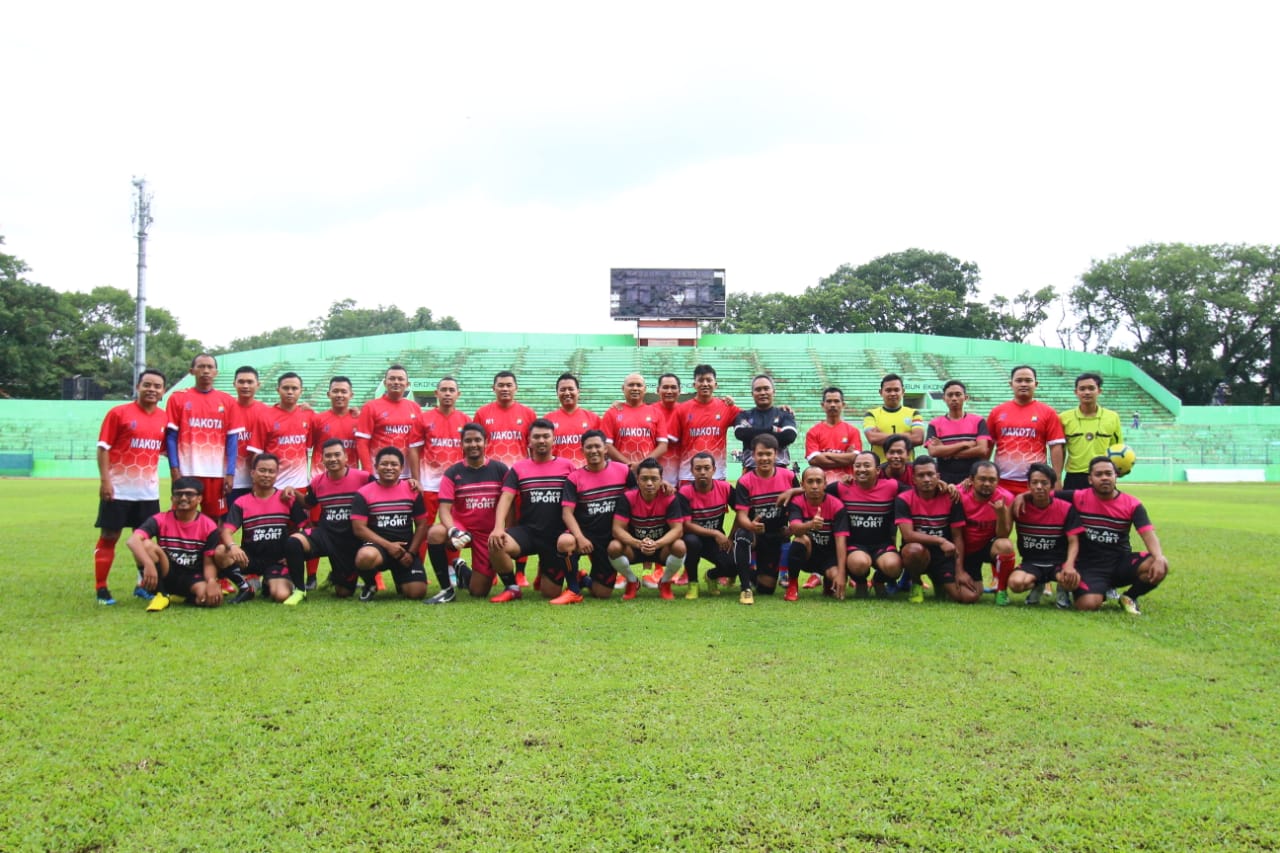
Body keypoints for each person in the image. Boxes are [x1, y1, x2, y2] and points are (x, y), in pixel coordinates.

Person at [1053, 456, 1169, 614]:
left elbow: (1148, 534)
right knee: (1087, 605)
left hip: (1120, 563)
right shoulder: (1078, 497)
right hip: (1089, 567)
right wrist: (1022, 498)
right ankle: (1093, 589)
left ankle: (1129, 597)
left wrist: (1159, 557)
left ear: (1116, 476)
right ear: (1090, 479)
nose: (1104, 478)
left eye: (1108, 473)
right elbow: (1046, 496)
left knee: (1159, 563)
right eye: (1099, 474)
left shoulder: (1132, 504)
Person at [93, 368, 169, 605]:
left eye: (157, 386)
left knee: (145, 541)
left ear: (163, 391)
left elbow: (167, 450)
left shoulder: (164, 418)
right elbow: (103, 448)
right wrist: (106, 480)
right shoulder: (119, 413)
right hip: (119, 488)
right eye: (147, 384)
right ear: (138, 387)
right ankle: (101, 588)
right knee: (110, 536)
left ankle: (142, 586)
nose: (152, 389)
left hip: (147, 491)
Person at [488, 419, 575, 603]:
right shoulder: (519, 468)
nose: (541, 440)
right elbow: (506, 497)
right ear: (529, 440)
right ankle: (512, 587)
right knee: (496, 543)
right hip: (528, 532)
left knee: (549, 593)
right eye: (537, 436)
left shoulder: (568, 466)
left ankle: (575, 575)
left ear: (554, 439)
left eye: (546, 436)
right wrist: (498, 527)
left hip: (557, 536)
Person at [423, 423, 510, 603]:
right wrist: (453, 530)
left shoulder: (500, 470)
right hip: (462, 527)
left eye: (477, 440)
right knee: (435, 533)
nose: (473, 444)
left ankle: (461, 569)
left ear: (486, 442)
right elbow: (444, 510)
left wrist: (505, 529)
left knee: (478, 591)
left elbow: (509, 504)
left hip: (488, 533)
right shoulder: (453, 472)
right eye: (468, 441)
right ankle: (447, 589)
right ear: (461, 444)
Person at [286, 438, 375, 599]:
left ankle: (341, 576)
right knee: (294, 542)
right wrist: (293, 491)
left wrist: (409, 483)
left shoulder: (364, 478)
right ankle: (300, 590)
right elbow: (308, 503)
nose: (333, 459)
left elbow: (384, 488)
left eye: (337, 455)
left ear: (346, 457)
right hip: (326, 534)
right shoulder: (317, 481)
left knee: (344, 592)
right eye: (328, 456)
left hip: (352, 538)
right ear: (322, 459)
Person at [474, 370, 538, 588]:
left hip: (520, 479)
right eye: (500, 385)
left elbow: (533, 447)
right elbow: (477, 445)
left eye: (509, 385)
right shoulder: (483, 413)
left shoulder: (528, 413)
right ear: (494, 388)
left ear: (515, 388)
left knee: (519, 524)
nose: (505, 388)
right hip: (492, 479)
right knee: (494, 523)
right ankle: (494, 568)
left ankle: (520, 572)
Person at [217, 453, 309, 605]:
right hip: (250, 558)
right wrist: (232, 547)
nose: (266, 475)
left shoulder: (286, 498)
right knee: (221, 552)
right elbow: (226, 531)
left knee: (281, 595)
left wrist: (294, 554)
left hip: (278, 560)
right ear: (252, 473)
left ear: (276, 474)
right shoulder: (241, 502)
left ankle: (269, 581)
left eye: (271, 471)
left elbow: (306, 529)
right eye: (262, 470)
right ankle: (246, 588)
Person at [557, 430, 635, 601]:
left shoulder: (623, 471)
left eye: (597, 446)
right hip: (585, 533)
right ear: (582, 450)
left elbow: (640, 496)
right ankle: (573, 590)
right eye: (589, 447)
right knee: (565, 542)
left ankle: (583, 578)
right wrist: (580, 537)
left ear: (606, 448)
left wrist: (664, 486)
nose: (593, 451)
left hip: (609, 537)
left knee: (602, 593)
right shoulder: (574, 478)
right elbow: (567, 513)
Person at [126, 477, 223, 612]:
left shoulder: (209, 526)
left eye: (189, 494)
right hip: (166, 571)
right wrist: (148, 563)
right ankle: (161, 594)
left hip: (193, 576)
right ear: (172, 499)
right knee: (146, 545)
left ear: (199, 498)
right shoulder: (160, 519)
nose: (183, 498)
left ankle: (181, 596)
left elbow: (208, 562)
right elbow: (132, 540)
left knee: (211, 600)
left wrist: (212, 582)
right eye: (178, 494)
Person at [895, 456, 982, 604]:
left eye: (930, 474)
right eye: (921, 475)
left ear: (938, 476)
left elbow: (957, 537)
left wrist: (959, 571)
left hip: (944, 555)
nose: (927, 479)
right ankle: (916, 583)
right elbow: (908, 535)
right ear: (914, 479)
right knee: (913, 551)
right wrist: (940, 540)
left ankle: (939, 581)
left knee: (969, 597)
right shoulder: (904, 499)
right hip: (918, 551)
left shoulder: (951, 497)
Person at [350, 447, 431, 601]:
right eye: (384, 464)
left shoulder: (412, 490)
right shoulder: (363, 493)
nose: (389, 468)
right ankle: (370, 584)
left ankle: (401, 579)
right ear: (376, 467)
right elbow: (358, 528)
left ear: (401, 468)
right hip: (378, 548)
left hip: (405, 551)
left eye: (394, 464)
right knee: (364, 557)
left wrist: (411, 553)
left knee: (417, 593)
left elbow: (422, 525)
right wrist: (389, 546)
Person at [165, 353, 240, 519]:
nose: (205, 371)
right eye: (201, 366)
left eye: (210, 367)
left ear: (216, 372)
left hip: (216, 472)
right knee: (180, 514)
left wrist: (230, 473)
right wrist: (174, 469)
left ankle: (211, 546)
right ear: (192, 371)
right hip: (186, 470)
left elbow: (232, 440)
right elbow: (171, 437)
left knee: (213, 518)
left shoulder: (227, 401)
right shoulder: (178, 398)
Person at [828, 450, 907, 597]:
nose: (861, 469)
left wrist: (942, 485)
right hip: (855, 546)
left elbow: (916, 493)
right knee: (859, 563)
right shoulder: (842, 487)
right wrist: (793, 491)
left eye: (866, 465)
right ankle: (861, 582)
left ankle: (878, 581)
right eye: (857, 466)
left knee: (894, 567)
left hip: (882, 544)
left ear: (877, 470)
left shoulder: (891, 486)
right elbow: (816, 492)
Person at [732, 434, 799, 602]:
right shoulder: (745, 481)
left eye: (768, 454)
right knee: (742, 534)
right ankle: (745, 587)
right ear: (753, 455)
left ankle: (753, 575)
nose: (764, 458)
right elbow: (741, 516)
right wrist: (751, 526)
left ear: (775, 454)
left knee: (766, 589)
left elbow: (806, 494)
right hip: (755, 534)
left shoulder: (788, 476)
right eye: (760, 454)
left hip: (776, 535)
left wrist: (793, 491)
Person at [609, 458, 688, 600]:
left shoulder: (669, 498)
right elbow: (617, 529)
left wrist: (657, 544)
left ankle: (665, 582)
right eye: (644, 479)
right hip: (635, 547)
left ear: (661, 480)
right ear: (637, 480)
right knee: (614, 547)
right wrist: (638, 543)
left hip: (660, 548)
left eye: (654, 479)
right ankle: (632, 581)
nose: (649, 483)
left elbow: (677, 530)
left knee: (680, 546)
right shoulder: (627, 498)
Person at [1006, 463, 1083, 606]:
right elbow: (1004, 532)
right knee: (1016, 584)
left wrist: (1069, 565)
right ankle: (1038, 585)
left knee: (1074, 581)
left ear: (1052, 486)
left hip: (1058, 563)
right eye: (1034, 482)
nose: (1039, 487)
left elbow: (1073, 541)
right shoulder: (1020, 506)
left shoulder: (1065, 508)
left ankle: (1062, 590)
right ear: (1028, 485)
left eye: (1044, 483)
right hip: (1032, 563)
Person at [987, 365, 1066, 494]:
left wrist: (1057, 479)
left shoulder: (1048, 412)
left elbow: (1056, 446)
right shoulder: (997, 412)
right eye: (1019, 380)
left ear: (1036, 384)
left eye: (1028, 380)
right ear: (1011, 384)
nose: (1023, 384)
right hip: (1001, 481)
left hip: (1035, 482)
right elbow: (988, 445)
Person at [678, 451, 739, 600]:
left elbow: (741, 512)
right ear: (692, 471)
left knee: (734, 564)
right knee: (692, 542)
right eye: (698, 469)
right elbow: (686, 525)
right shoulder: (685, 492)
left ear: (714, 470)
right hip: (694, 537)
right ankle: (693, 583)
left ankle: (711, 576)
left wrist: (730, 538)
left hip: (715, 541)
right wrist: (715, 533)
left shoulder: (725, 488)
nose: (702, 472)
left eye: (706, 468)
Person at [785, 466, 850, 600]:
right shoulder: (797, 502)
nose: (815, 486)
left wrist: (842, 574)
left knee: (835, 581)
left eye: (819, 481)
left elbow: (841, 541)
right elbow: (795, 529)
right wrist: (811, 525)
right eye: (810, 481)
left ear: (825, 484)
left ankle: (828, 582)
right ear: (802, 484)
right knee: (800, 539)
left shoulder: (837, 506)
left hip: (829, 556)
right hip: (808, 554)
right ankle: (792, 585)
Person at [956, 460, 1016, 604]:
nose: (987, 484)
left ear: (998, 481)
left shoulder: (1006, 498)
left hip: (987, 547)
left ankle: (1001, 590)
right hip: (965, 550)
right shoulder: (958, 494)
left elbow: (1003, 535)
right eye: (982, 479)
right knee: (972, 596)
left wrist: (1001, 514)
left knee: (1005, 545)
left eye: (992, 480)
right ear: (971, 479)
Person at [674, 364, 741, 484]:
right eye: (700, 380)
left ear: (715, 384)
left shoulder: (726, 407)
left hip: (716, 474)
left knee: (717, 503)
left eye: (709, 380)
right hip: (688, 475)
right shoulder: (682, 409)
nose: (705, 384)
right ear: (694, 385)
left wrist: (780, 411)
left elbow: (753, 417)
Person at [355, 364, 423, 477]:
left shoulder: (415, 408)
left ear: (407, 384)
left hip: (407, 475)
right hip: (380, 474)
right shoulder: (371, 407)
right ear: (385, 383)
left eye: (400, 379)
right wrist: (368, 473)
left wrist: (416, 475)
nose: (396, 382)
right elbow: (362, 442)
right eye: (392, 379)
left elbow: (418, 444)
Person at [1059, 372, 1124, 489]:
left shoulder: (1112, 417)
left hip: (1102, 476)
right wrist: (1057, 478)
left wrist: (1119, 470)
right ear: (1076, 392)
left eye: (1091, 388)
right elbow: (1060, 451)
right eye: (1082, 389)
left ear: (1099, 391)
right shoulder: (1064, 418)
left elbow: (1117, 448)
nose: (1087, 392)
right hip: (1074, 477)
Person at [925, 380, 992, 485]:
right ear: (944, 399)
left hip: (971, 479)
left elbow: (982, 450)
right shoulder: (935, 423)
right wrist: (965, 444)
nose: (954, 398)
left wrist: (948, 451)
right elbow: (933, 452)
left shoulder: (978, 421)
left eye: (958, 394)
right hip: (944, 479)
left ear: (966, 397)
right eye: (950, 395)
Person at [602, 373, 670, 473]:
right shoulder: (612, 413)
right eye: (631, 385)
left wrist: (642, 465)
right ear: (623, 388)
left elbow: (663, 446)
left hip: (648, 472)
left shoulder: (656, 413)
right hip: (620, 471)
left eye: (639, 385)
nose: (635, 388)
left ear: (645, 389)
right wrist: (628, 465)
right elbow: (606, 445)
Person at [227, 365, 272, 508]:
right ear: (234, 384)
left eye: (250, 382)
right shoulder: (225, 409)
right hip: (229, 480)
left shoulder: (266, 412)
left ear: (257, 385)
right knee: (223, 524)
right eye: (241, 381)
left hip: (258, 481)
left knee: (254, 527)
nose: (245, 385)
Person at [733, 374, 798, 471]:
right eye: (758, 390)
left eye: (766, 388)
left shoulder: (785, 414)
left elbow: (789, 436)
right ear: (752, 394)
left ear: (773, 392)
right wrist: (774, 430)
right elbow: (740, 433)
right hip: (751, 471)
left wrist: (753, 432)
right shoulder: (744, 415)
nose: (762, 392)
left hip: (780, 470)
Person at [805, 386, 864, 484]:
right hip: (822, 486)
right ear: (822, 405)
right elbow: (813, 460)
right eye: (829, 401)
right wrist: (845, 457)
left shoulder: (853, 431)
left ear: (843, 404)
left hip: (847, 483)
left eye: (836, 401)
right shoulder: (813, 432)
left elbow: (856, 458)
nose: (832, 404)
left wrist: (826, 454)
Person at [543, 372, 602, 468]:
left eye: (571, 389)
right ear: (557, 393)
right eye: (562, 390)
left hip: (586, 474)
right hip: (557, 474)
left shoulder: (593, 419)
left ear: (578, 391)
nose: (567, 393)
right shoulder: (548, 419)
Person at [863, 374, 924, 463]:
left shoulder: (914, 413)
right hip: (881, 470)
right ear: (881, 392)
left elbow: (918, 439)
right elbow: (872, 438)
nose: (892, 393)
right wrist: (907, 435)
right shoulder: (871, 414)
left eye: (896, 390)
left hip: (907, 469)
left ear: (903, 391)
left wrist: (883, 436)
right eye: (888, 390)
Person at [655, 373, 684, 487]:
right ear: (658, 390)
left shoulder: (686, 410)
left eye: (673, 387)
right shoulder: (649, 411)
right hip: (656, 474)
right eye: (665, 387)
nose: (669, 391)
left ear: (679, 390)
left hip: (683, 475)